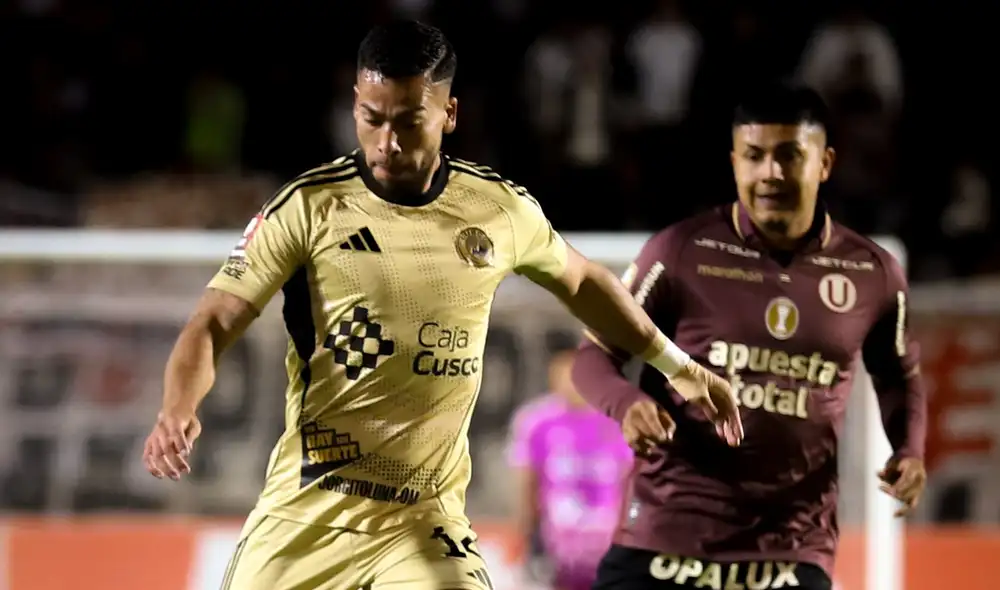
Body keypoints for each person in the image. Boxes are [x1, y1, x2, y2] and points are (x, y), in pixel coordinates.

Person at [140, 20, 742, 590]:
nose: (389, 141)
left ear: (448, 113)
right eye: (372, 119)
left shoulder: (497, 210)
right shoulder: (308, 207)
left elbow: (583, 282)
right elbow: (215, 319)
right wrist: (177, 406)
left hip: (422, 520)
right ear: (354, 103)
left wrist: (675, 364)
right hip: (306, 515)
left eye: (410, 121)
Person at [573, 83, 928, 590]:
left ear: (824, 163)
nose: (771, 174)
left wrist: (908, 449)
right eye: (755, 156)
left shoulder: (872, 272)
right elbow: (593, 354)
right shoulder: (680, 251)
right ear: (734, 162)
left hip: (791, 547)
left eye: (789, 155)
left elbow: (896, 372)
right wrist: (626, 403)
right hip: (665, 536)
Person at [506, 350, 633, 590]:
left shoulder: (619, 420)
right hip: (559, 547)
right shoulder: (536, 421)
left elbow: (632, 483)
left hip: (608, 545)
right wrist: (525, 536)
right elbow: (528, 483)